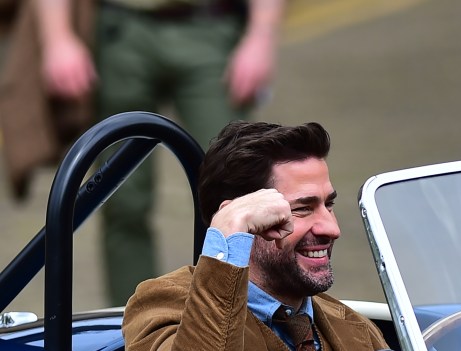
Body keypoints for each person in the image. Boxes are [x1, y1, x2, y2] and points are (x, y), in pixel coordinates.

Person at [122, 120, 389, 351]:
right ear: (243, 218)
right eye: (302, 208)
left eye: (329, 204)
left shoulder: (354, 326)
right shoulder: (163, 303)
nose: (332, 227)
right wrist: (227, 237)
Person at [31, 0, 284, 306]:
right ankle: (136, 326)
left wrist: (261, 35)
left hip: (211, 28)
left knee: (239, 191)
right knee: (122, 199)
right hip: (123, 30)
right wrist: (57, 38)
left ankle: (241, 320)